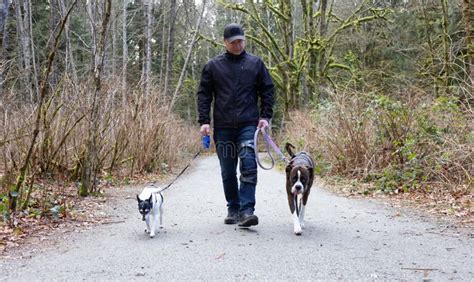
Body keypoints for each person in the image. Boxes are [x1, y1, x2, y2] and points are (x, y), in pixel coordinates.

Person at [197, 23, 275, 227]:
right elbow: (204, 95)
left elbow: (268, 90)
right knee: (228, 170)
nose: (238, 44)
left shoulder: (255, 64)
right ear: (225, 43)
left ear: (244, 39)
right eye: (233, 42)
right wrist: (204, 121)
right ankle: (233, 207)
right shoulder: (213, 66)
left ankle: (247, 210)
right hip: (223, 127)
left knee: (249, 163)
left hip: (248, 124)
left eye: (240, 40)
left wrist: (265, 117)